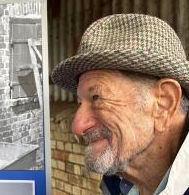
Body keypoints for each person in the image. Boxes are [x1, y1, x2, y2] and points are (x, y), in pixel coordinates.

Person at [51, 14, 189, 195]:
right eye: (79, 103)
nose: (77, 127)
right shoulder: (116, 180)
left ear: (164, 103)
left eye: (96, 98)